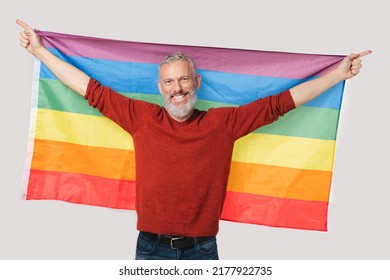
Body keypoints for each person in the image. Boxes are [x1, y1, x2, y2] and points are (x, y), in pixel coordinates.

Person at [17, 19, 371, 260]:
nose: (177, 89)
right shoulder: (142, 118)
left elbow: (281, 103)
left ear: (196, 83)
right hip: (149, 249)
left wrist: (338, 73)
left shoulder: (223, 124)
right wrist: (38, 51)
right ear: (160, 88)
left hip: (204, 249)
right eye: (170, 82)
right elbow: (88, 89)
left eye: (184, 80)